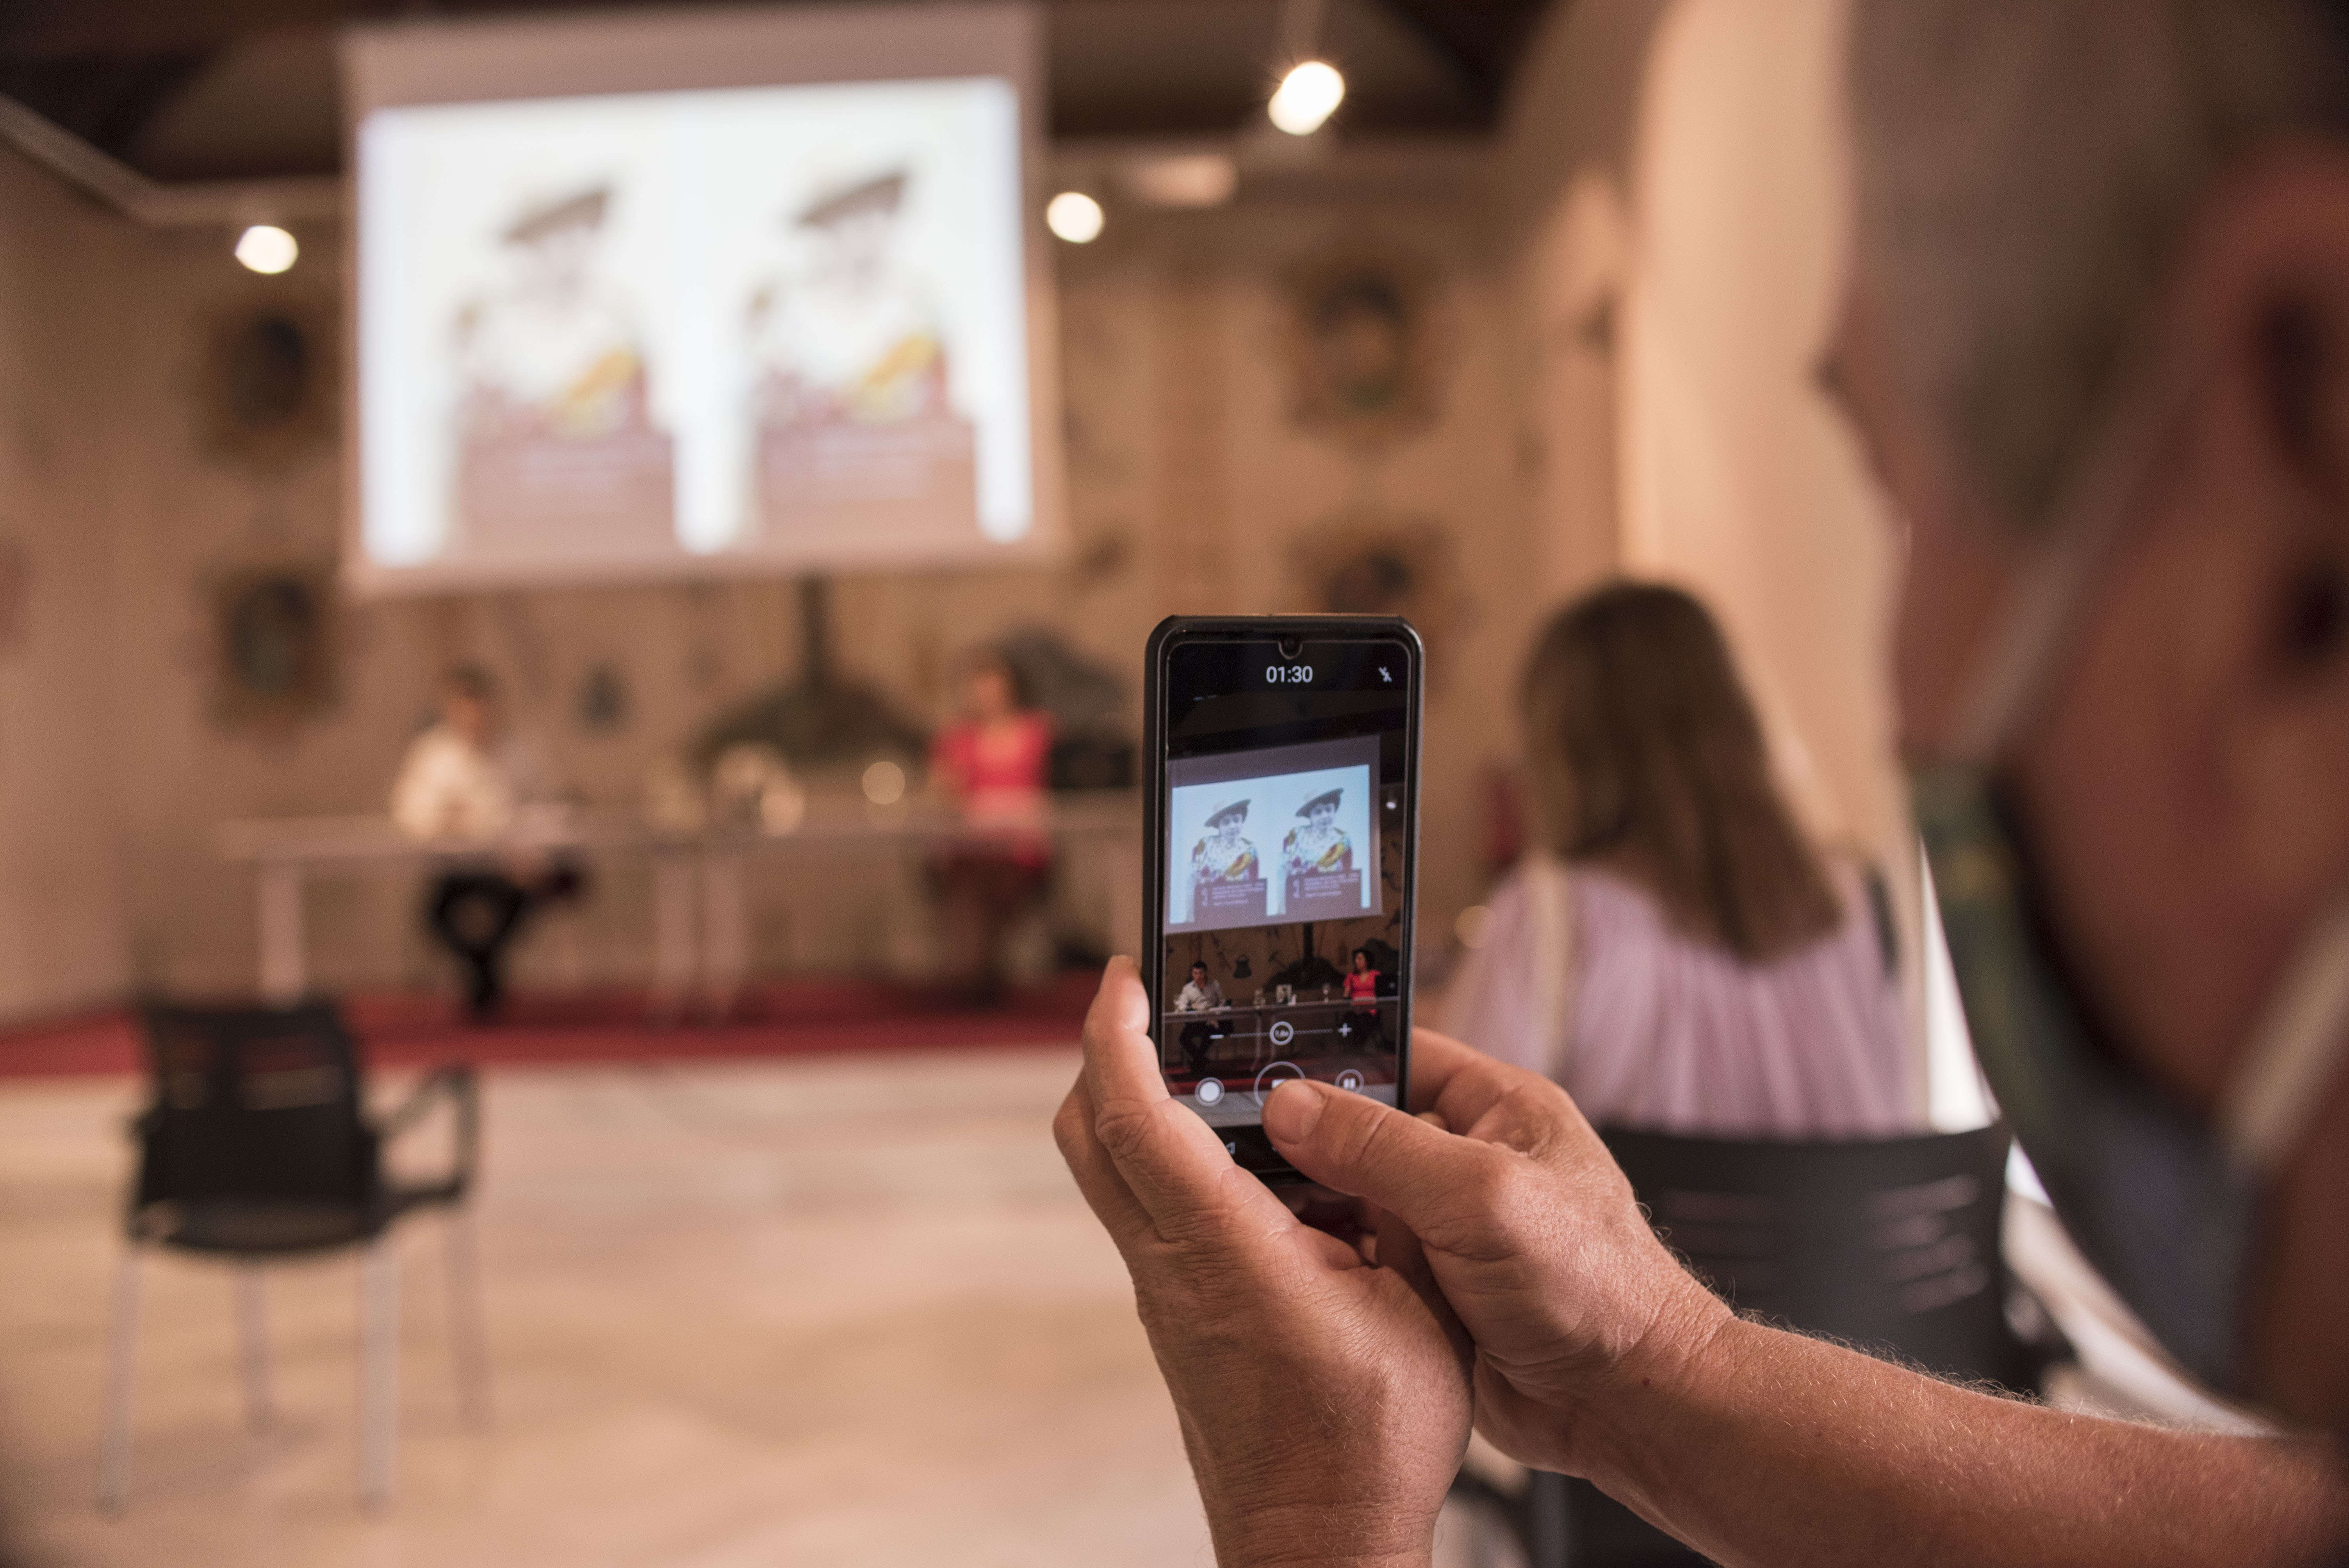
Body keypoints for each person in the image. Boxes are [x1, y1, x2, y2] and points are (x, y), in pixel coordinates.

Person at [1055, 0, 2349, 1562]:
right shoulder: (1856, 903)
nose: (1894, 674)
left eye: (1889, 487)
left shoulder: (1556, 917)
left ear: (2291, 488)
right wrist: (1648, 1369)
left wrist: (1314, 1512)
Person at [1444, 583, 1913, 1137]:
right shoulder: (1855, 895)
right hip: (1864, 1226)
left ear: (1562, 745)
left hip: (1650, 1227)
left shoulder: (1550, 916)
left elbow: (1457, 1142)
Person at [390, 665, 578, 1018]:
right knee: (437, 919)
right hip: (456, 868)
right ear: (450, 710)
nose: (474, 719)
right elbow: (410, 813)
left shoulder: (521, 752)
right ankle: (483, 977)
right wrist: (449, 821)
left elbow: (549, 807)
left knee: (516, 908)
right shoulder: (433, 754)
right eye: (465, 710)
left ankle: (484, 984)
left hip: (511, 867)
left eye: (480, 709)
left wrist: (532, 850)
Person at [927, 650, 1053, 998]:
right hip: (971, 853)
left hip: (1020, 854)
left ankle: (984, 976)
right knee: (967, 890)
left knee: (995, 887)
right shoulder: (956, 740)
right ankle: (975, 977)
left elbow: (1053, 795)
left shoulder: (1037, 733)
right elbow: (943, 799)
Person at [1188, 800, 1263, 923]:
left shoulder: (1250, 849)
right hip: (1209, 913)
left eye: (1237, 820)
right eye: (1226, 822)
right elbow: (1196, 883)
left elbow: (1254, 886)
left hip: (1240, 912)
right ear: (1219, 826)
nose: (1233, 826)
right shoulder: (1204, 846)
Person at [1174, 959, 1229, 1074]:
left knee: (1209, 1034)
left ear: (1205, 973)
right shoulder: (1188, 988)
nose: (1198, 976)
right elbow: (1182, 1004)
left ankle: (1198, 1063)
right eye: (1195, 974)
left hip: (1212, 1020)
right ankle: (1200, 1060)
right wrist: (1189, 1007)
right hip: (1197, 1021)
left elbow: (1222, 1002)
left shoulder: (1214, 985)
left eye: (1200, 973)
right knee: (1183, 1038)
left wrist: (1216, 1016)